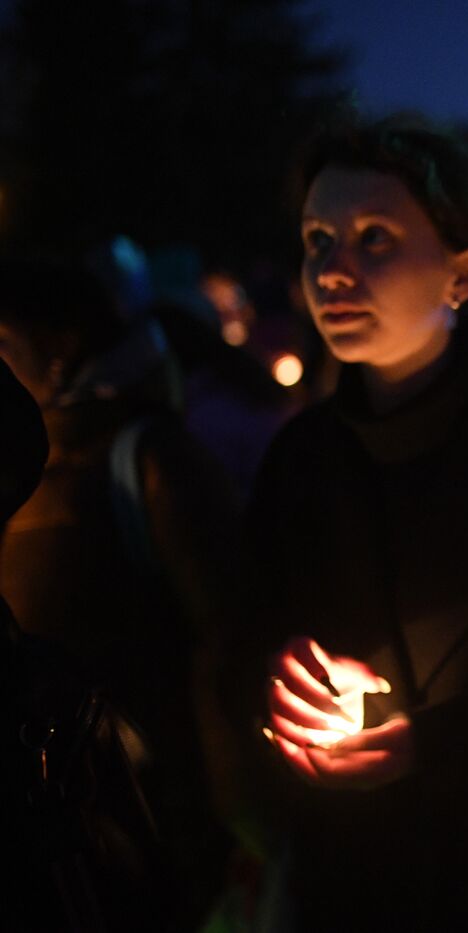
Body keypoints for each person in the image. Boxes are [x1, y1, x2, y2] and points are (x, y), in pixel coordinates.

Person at [240, 115, 468, 928]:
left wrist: (435, 745)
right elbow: (243, 628)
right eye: (316, 240)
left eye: (374, 239)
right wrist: (284, 686)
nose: (333, 271)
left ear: (462, 273)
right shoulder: (299, 460)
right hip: (347, 880)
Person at [0, 258, 239, 928]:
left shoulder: (146, 454)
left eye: (3, 347)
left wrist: (234, 823)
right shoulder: (33, 469)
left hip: (136, 796)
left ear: (58, 349)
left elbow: (223, 637)